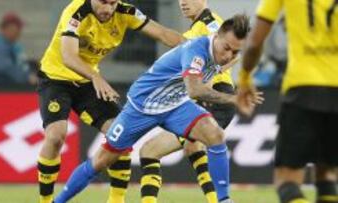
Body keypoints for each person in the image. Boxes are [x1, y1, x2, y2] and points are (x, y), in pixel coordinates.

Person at [55, 14, 261, 203]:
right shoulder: (196, 50)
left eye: (235, 51)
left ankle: (223, 200)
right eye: (226, 48)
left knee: (215, 134)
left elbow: (207, 76)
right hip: (143, 105)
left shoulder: (223, 53)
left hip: (175, 105)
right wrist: (234, 98)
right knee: (100, 161)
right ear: (216, 36)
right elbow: (194, 90)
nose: (229, 55)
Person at [36, 0, 184, 203]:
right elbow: (68, 56)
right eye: (103, 2)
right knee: (56, 136)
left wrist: (202, 48)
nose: (108, 9)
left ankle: (116, 200)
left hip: (88, 81)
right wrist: (96, 78)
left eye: (113, 3)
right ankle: (45, 201)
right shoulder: (76, 12)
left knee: (120, 132)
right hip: (56, 79)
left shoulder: (127, 12)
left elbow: (164, 34)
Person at [236, 0, 338, 203]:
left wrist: (245, 77)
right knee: (327, 173)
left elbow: (255, 42)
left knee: (286, 181)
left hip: (301, 89)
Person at [138, 0, 237, 202]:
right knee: (192, 147)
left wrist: (209, 79)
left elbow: (235, 54)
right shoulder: (198, 26)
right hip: (209, 100)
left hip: (213, 99)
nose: (183, 2)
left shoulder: (210, 24)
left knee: (149, 151)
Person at [0, 12, 35, 85]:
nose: (19, 31)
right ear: (5, 28)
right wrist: (27, 78)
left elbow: (22, 65)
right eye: (17, 27)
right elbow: (5, 67)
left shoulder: (15, 46)